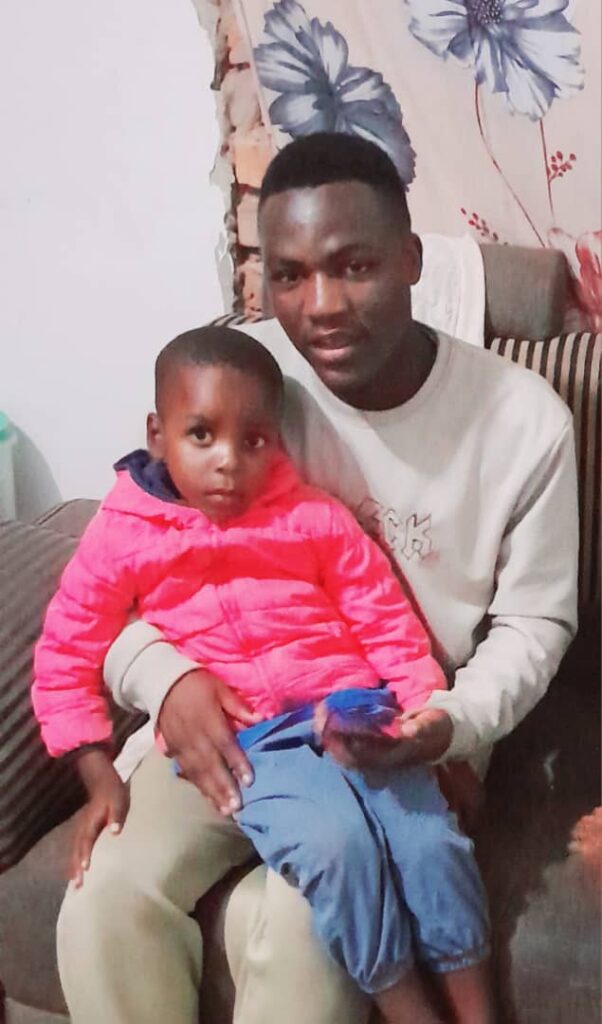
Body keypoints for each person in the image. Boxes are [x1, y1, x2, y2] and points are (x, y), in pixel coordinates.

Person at [56, 132, 578, 1024]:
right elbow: (121, 561)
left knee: (308, 924)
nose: (322, 306)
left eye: (354, 266)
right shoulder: (239, 383)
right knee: (103, 897)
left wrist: (449, 726)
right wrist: (164, 676)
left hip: (389, 727)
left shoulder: (526, 424)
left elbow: (536, 622)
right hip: (223, 721)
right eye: (290, 276)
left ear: (412, 260)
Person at [34, 325, 494, 1023]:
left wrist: (432, 722)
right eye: (201, 435)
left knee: (431, 844)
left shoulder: (312, 517)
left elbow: (386, 623)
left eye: (253, 441)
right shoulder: (122, 535)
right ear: (157, 434)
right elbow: (65, 652)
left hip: (353, 711)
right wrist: (96, 772)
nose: (228, 462)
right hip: (254, 741)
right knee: (338, 850)